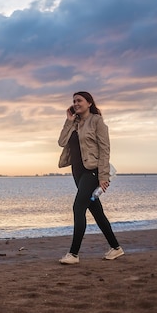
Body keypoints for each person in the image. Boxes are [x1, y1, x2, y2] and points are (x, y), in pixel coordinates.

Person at [57, 91, 124, 264]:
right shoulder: (74, 123)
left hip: (92, 171)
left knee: (78, 208)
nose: (76, 103)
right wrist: (68, 121)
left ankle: (73, 254)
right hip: (78, 172)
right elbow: (61, 142)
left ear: (89, 103)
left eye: (79, 100)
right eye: (73, 101)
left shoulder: (97, 121)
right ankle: (116, 248)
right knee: (96, 211)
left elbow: (105, 150)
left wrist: (103, 177)